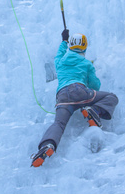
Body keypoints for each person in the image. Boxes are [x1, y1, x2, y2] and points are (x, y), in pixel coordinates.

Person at [31, 29, 119, 167]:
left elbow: (58, 54)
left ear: (71, 46)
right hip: (80, 92)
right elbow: (95, 85)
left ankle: (48, 145)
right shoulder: (86, 63)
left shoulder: (60, 62)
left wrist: (64, 41)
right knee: (111, 97)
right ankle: (94, 111)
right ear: (84, 47)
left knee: (58, 124)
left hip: (62, 98)